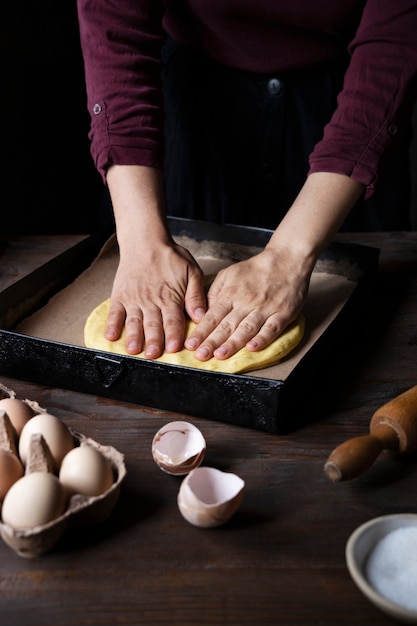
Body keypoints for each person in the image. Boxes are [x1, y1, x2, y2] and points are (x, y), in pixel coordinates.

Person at [76, 1, 417, 364]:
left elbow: (393, 47)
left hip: (349, 103)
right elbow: (116, 37)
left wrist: (288, 255)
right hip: (191, 99)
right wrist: (143, 243)